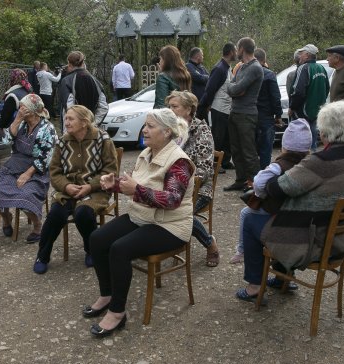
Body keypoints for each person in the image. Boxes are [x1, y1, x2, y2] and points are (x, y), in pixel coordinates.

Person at [235, 101, 344, 302]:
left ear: (325, 131)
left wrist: (276, 170)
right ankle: (284, 278)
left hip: (313, 242)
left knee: (251, 220)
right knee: (287, 217)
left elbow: (277, 188)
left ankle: (254, 287)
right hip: (341, 240)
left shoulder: (322, 162)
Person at [86, 108, 195, 337]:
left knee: (120, 249)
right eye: (145, 125)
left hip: (170, 225)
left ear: (166, 132)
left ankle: (117, 312)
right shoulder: (147, 153)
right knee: (97, 239)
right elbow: (136, 185)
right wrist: (114, 184)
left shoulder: (179, 162)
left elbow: (172, 200)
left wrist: (137, 189)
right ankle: (107, 294)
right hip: (144, 216)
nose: (144, 129)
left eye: (150, 126)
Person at [32, 105, 118, 274]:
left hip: (95, 190)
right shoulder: (63, 141)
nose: (67, 122)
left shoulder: (102, 139)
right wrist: (65, 186)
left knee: (83, 213)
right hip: (68, 190)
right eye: (66, 118)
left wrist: (90, 186)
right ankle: (42, 256)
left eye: (71, 119)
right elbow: (54, 171)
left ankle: (91, 250)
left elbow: (110, 170)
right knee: (55, 214)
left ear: (84, 122)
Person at [230, 118, 311, 272]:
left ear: (284, 146)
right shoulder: (308, 165)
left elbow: (259, 182)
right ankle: (285, 277)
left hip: (276, 212)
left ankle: (242, 251)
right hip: (297, 215)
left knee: (246, 213)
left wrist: (260, 195)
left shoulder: (278, 166)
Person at [0, 94, 56, 242]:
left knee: (26, 194)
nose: (19, 109)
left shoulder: (47, 128)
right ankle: (7, 218)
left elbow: (45, 158)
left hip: (36, 170)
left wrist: (27, 174)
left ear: (32, 111)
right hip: (14, 165)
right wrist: (17, 119)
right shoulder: (20, 123)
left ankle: (38, 225)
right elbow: (6, 141)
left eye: (22, 107)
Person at [165, 91, 220, 267]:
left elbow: (204, 169)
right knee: (147, 201)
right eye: (169, 106)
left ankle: (210, 244)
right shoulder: (170, 130)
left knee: (180, 211)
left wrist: (180, 184)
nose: (170, 110)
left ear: (189, 109)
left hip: (198, 188)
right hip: (170, 185)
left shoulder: (201, 131)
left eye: (174, 106)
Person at [224, 37, 263, 192]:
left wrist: (236, 89)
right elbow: (232, 88)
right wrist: (236, 89)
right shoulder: (240, 67)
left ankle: (255, 184)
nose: (235, 51)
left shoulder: (255, 68)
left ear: (242, 49)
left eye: (237, 48)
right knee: (236, 150)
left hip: (247, 115)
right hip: (235, 112)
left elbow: (235, 89)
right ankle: (240, 181)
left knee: (248, 152)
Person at [197, 43, 237, 172]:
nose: (236, 53)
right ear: (231, 52)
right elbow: (210, 89)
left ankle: (224, 160)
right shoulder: (219, 68)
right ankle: (214, 163)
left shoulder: (227, 68)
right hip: (219, 108)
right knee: (218, 136)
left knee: (227, 136)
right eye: (235, 51)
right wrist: (204, 105)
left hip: (227, 108)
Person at [290, 44, 329, 150]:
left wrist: (292, 107)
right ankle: (313, 161)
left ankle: (305, 163)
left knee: (302, 142)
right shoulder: (321, 68)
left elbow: (298, 91)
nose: (300, 56)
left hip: (304, 112)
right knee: (313, 139)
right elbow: (327, 88)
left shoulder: (303, 68)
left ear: (307, 55)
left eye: (301, 54)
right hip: (317, 111)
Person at [59, 51, 108, 125]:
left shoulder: (66, 81)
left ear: (69, 63)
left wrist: (72, 129)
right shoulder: (95, 81)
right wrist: (93, 124)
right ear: (83, 63)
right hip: (90, 128)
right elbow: (103, 107)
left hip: (73, 130)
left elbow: (69, 108)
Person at [253, 48, 283, 169]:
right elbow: (275, 97)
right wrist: (279, 115)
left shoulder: (246, 72)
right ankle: (264, 173)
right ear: (264, 60)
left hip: (250, 115)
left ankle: (251, 174)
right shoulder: (269, 74)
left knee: (252, 148)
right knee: (266, 148)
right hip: (266, 116)